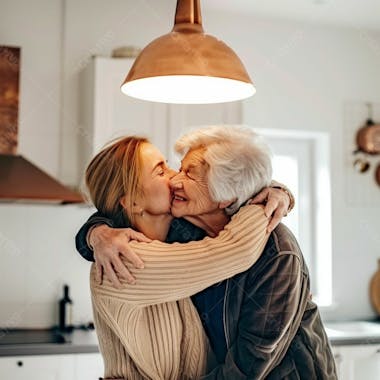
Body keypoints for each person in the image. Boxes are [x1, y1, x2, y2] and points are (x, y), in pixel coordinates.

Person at [81, 128, 289, 379]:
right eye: (160, 170)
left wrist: (274, 189)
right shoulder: (126, 261)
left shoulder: (177, 238)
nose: (174, 178)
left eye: (171, 167)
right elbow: (237, 249)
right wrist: (268, 201)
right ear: (134, 202)